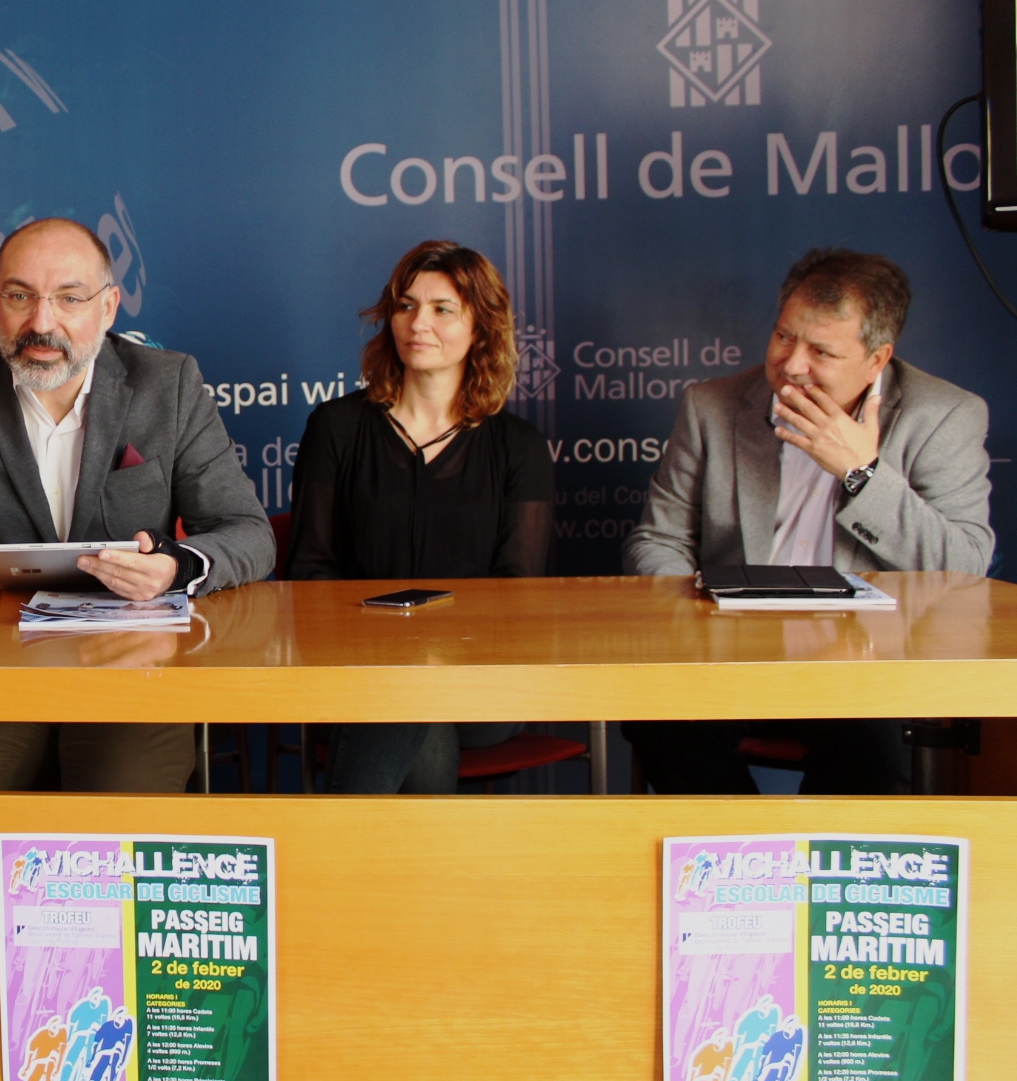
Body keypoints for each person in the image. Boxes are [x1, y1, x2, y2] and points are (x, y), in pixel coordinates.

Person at [0, 216, 275, 791]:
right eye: (20, 296)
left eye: (69, 298)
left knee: (117, 814)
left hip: (134, 667)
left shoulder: (168, 385)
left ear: (109, 306)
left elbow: (248, 532)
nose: (41, 322)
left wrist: (175, 567)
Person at [622, 248, 992, 793]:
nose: (793, 364)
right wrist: (693, 628)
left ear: (877, 359)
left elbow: (964, 566)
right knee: (659, 718)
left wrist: (860, 473)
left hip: (866, 666)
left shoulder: (942, 416)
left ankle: (820, 872)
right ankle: (740, 858)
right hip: (732, 658)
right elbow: (658, 539)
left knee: (871, 742)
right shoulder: (712, 406)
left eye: (821, 350)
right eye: (783, 337)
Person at [287, 240, 552, 792]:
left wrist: (435, 654)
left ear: (481, 327)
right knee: (410, 706)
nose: (417, 323)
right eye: (406, 306)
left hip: (481, 681)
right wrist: (390, 654)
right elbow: (310, 570)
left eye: (442, 309)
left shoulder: (518, 447)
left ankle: (342, 871)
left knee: (412, 700)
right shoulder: (336, 428)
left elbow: (517, 590)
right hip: (357, 671)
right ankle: (421, 877)